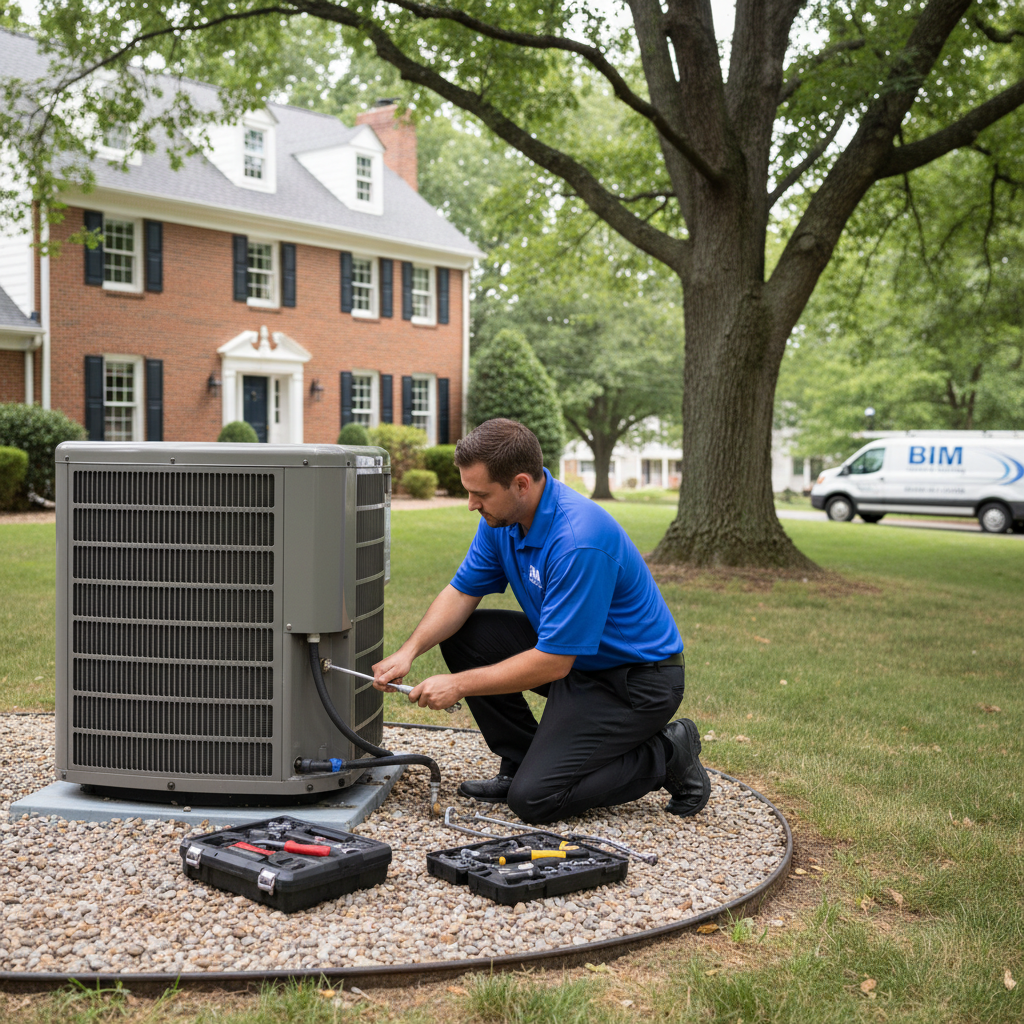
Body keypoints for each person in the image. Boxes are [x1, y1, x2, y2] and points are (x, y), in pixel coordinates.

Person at [372, 418, 709, 825]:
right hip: (577, 660)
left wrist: (458, 684)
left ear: (521, 484)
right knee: (467, 636)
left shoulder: (577, 541)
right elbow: (461, 593)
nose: (471, 504)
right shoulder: (503, 522)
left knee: (536, 798)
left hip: (634, 681)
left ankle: (668, 752)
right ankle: (520, 760)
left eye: (481, 494)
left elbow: (553, 663)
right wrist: (408, 652)